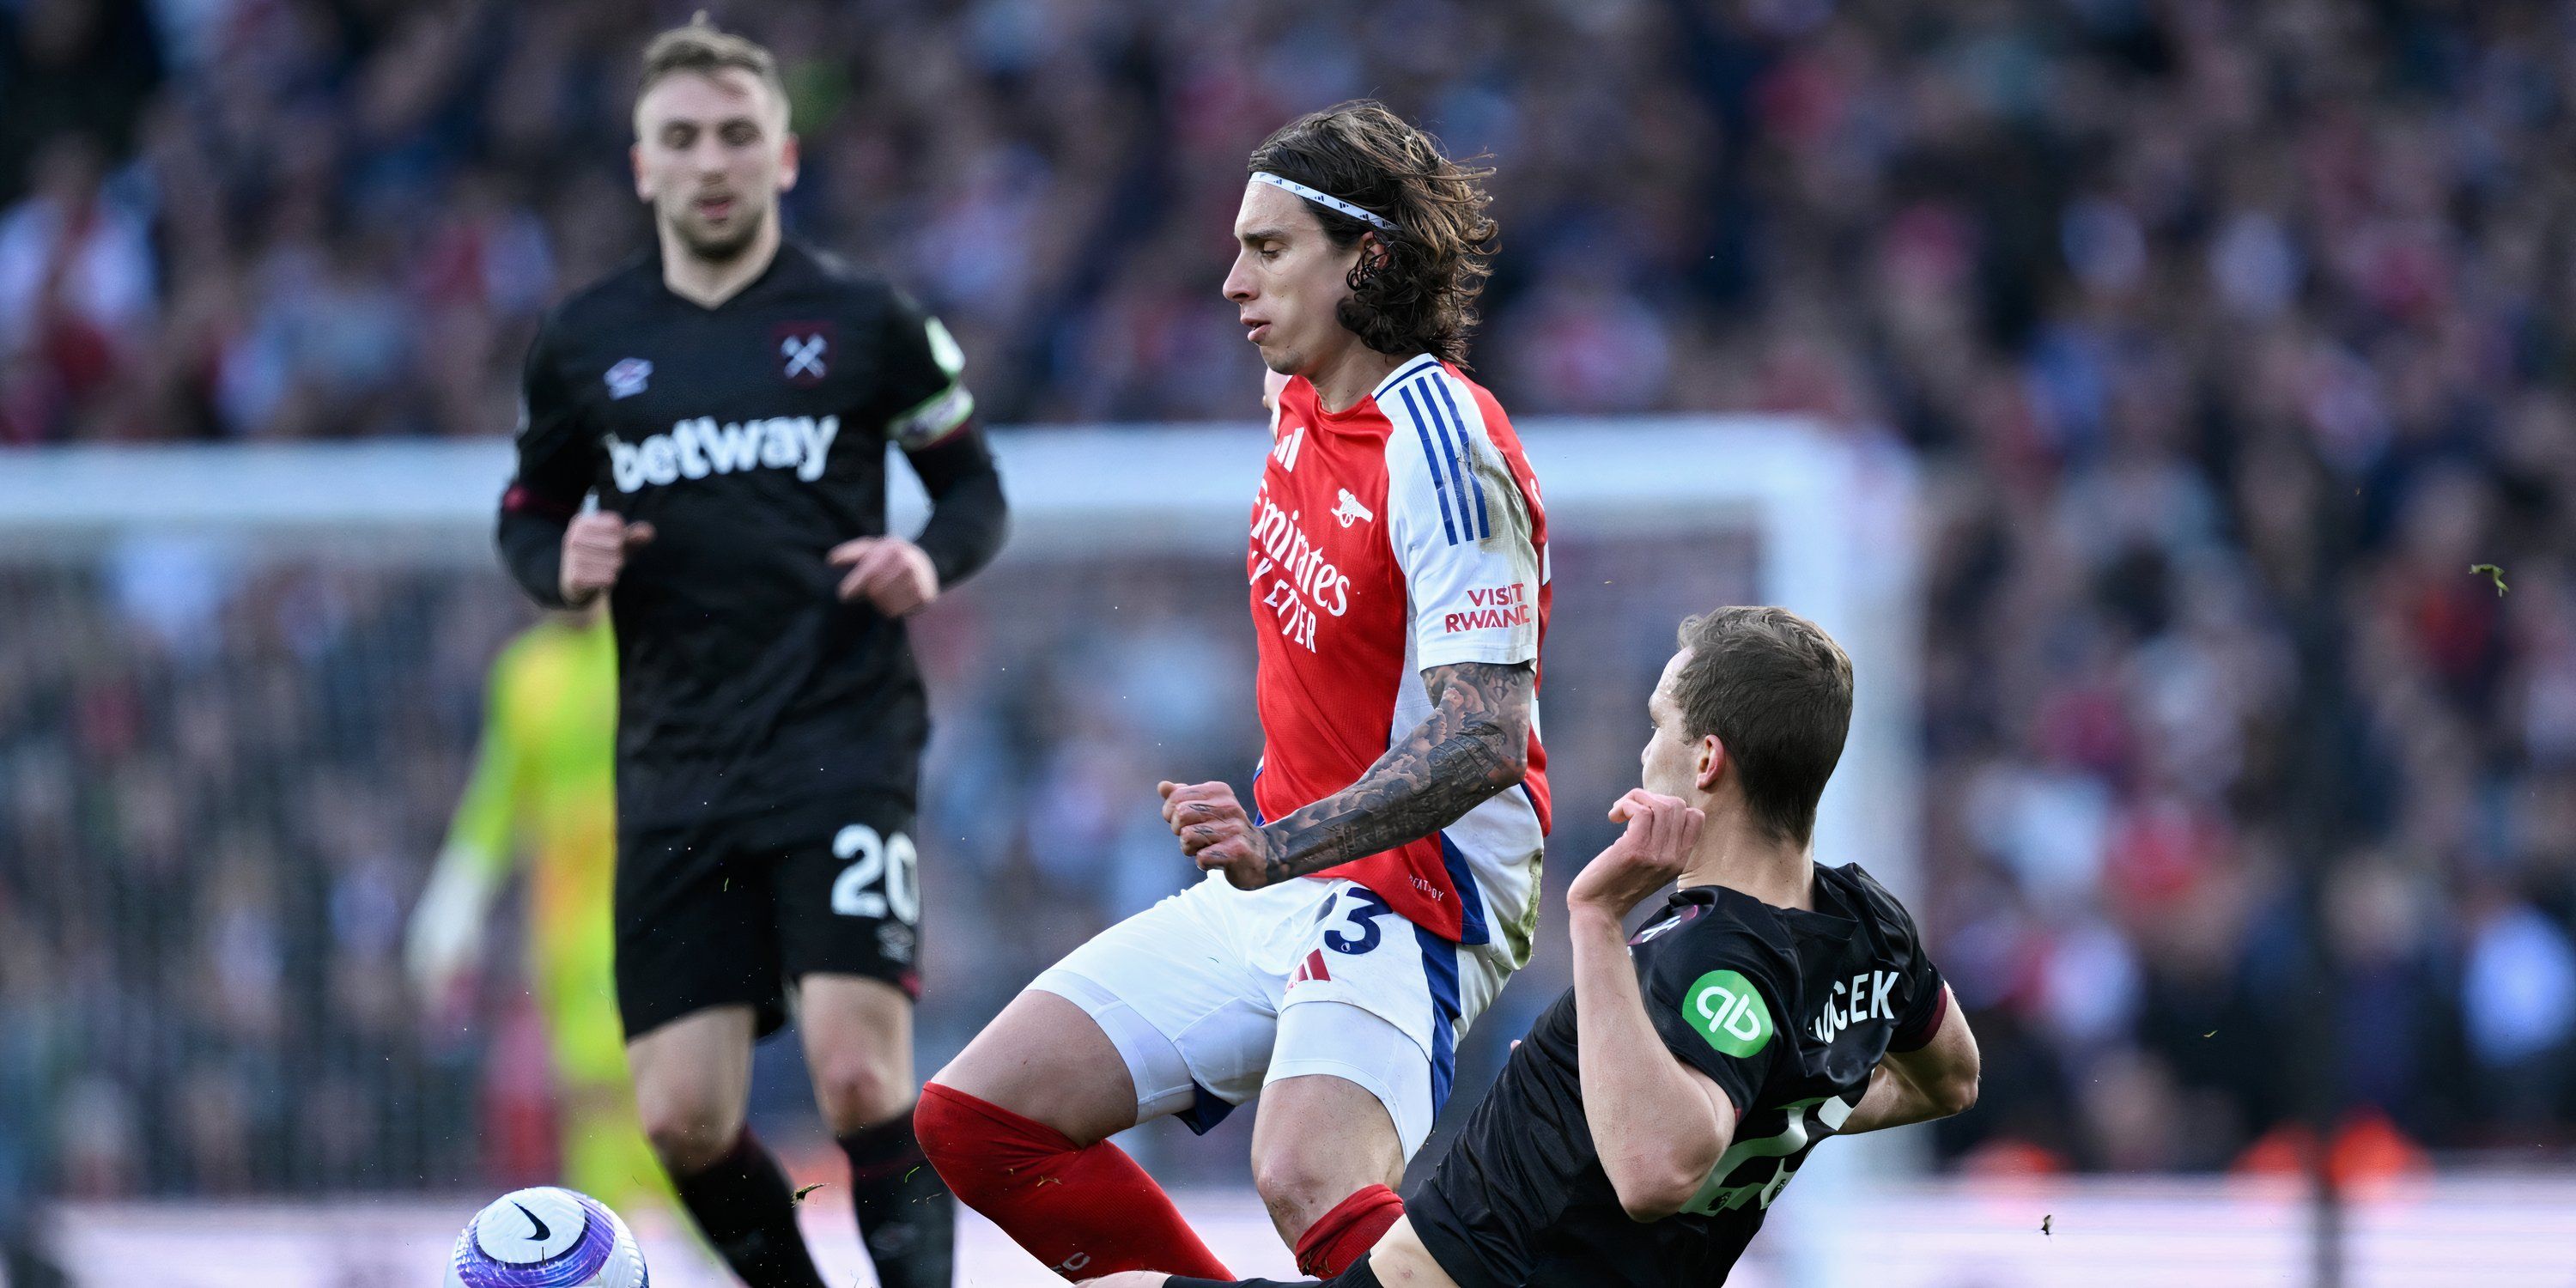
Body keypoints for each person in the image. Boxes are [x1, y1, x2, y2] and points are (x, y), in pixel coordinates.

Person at [916, 101, 1548, 1282]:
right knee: (974, 1121)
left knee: (1306, 1172)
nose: (1230, 281)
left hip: (1422, 886)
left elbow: (1485, 740)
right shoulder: (1297, 395)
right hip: (1287, 873)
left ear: (1366, 260)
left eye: (1267, 249)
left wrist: (1280, 840)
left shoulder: (1445, 448)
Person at [494, 16, 1008, 1288]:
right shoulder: (582, 342)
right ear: (641, 166)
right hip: (675, 761)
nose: (710, 160)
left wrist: (925, 560)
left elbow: (973, 490)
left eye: (736, 135)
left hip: (840, 735)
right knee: (680, 1118)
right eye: (682, 138)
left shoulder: (863, 321)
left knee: (855, 1069)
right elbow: (526, 511)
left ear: (784, 158)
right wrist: (558, 562)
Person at [1084, 607, 1982, 1288]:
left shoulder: (1708, 957)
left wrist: (1593, 915)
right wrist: (1769, 1108)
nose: (1644, 751)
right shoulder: (1871, 926)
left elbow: (1656, 1171)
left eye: (1658, 724)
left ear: (1706, 760)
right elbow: (1953, 1077)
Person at [406, 605, 668, 1212]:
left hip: (662, 913)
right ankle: (618, 1252)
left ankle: (687, 1247)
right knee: (592, 1096)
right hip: (566, 934)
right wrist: (457, 898)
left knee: (661, 1092)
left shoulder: (653, 649)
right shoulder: (524, 673)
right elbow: (497, 798)